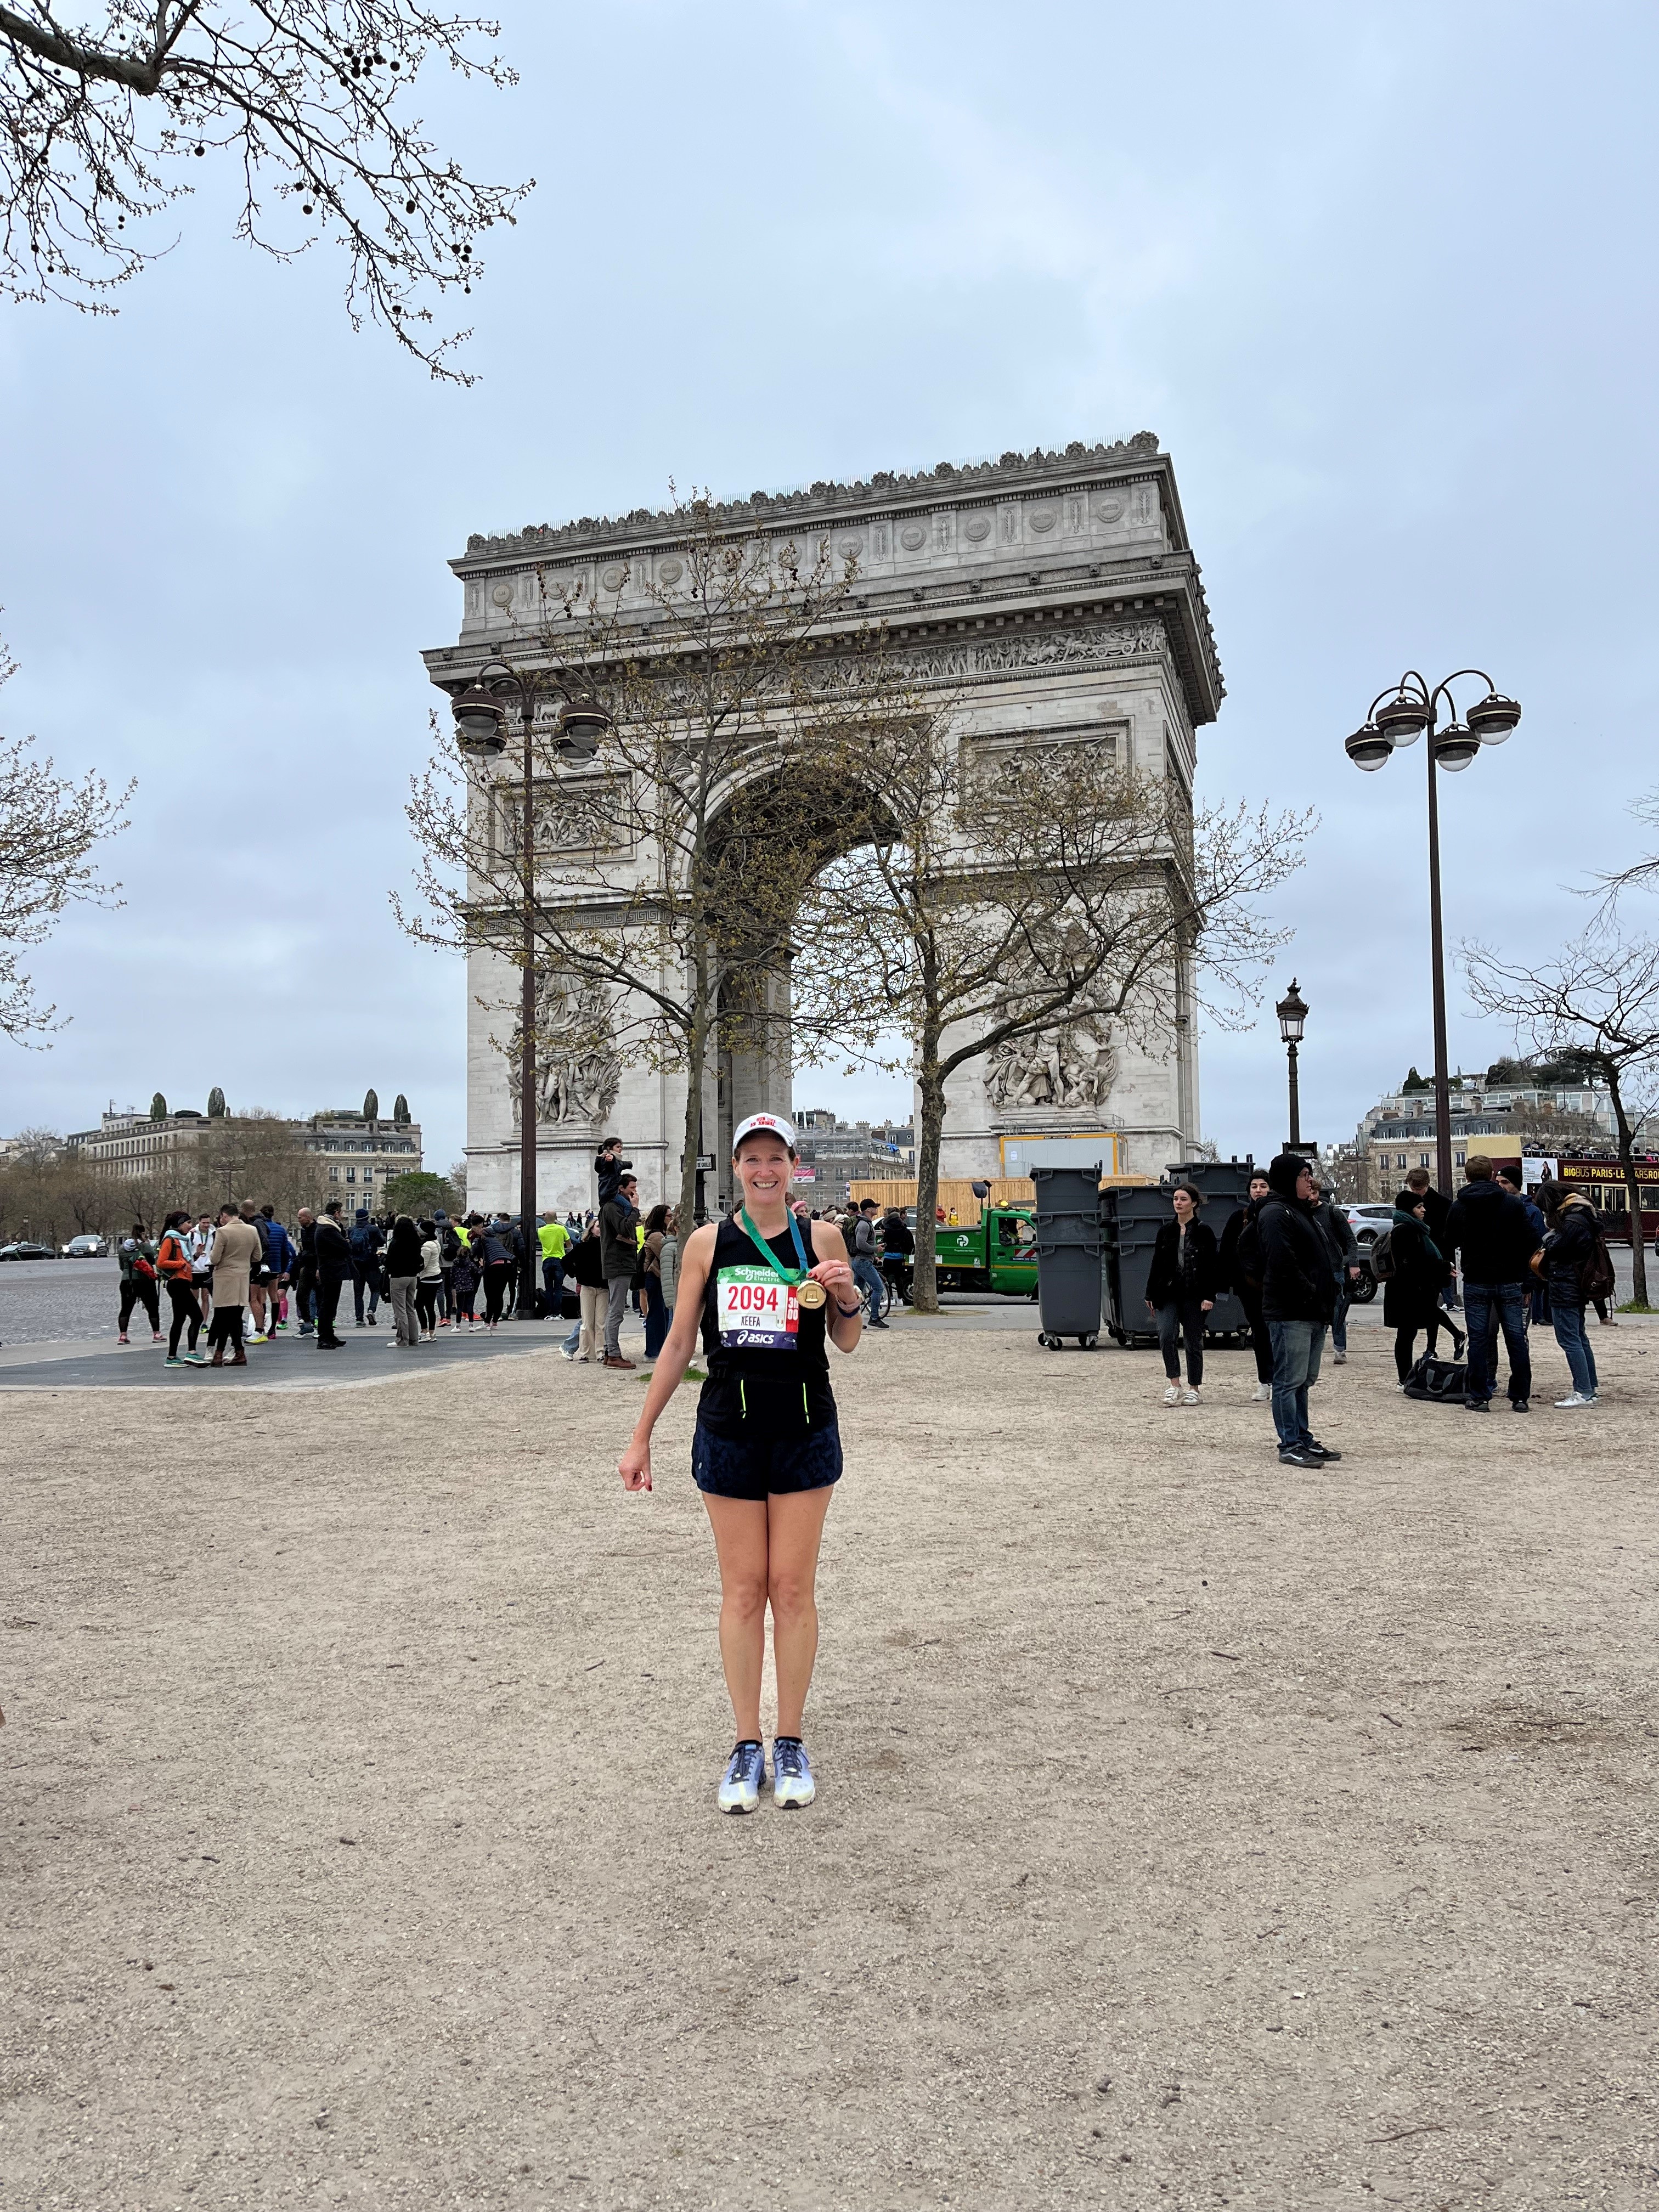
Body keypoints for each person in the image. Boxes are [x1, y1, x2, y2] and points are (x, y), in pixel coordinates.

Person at [618, 1112, 862, 1814]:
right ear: (736, 1167)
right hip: (729, 1423)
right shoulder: (706, 1243)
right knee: (742, 1591)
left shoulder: (824, 1236)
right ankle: (745, 1742)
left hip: (806, 1423)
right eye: (752, 1158)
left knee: (791, 1590)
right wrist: (641, 1437)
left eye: (775, 1157)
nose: (764, 1170)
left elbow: (846, 1341)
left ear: (793, 1164)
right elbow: (675, 1347)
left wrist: (847, 1296)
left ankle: (790, 1739)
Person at [1257, 1154, 1341, 1468]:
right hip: (1292, 1310)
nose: (1310, 1180)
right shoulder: (1277, 1213)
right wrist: (1311, 1294)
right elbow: (1282, 1262)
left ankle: (1303, 1437)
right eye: (1304, 1175)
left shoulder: (1301, 1211)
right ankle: (1289, 1443)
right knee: (1288, 1381)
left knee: (1303, 1380)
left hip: (1311, 1311)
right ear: (1289, 1179)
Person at [1443, 1155, 1537, 1412]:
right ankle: (1520, 1397)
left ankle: (1480, 1395)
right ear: (1492, 1174)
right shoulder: (1512, 1204)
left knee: (1479, 1338)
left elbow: (1448, 1242)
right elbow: (1532, 1240)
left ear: (1467, 1176)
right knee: (1516, 1338)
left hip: (1476, 1278)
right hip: (1509, 1277)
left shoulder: (1460, 1206)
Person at [1144, 1181, 1217, 1404]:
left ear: (1194, 1203)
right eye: (1176, 1199)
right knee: (1166, 1335)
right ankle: (1174, 1384)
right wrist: (1150, 1294)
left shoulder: (1204, 1231)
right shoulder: (1165, 1231)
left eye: (1183, 1199)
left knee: (1193, 1340)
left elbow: (1212, 1266)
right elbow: (1156, 1263)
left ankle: (1194, 1387)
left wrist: (1209, 1296)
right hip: (1167, 1293)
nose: (1178, 1203)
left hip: (1195, 1294)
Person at [1383, 1190, 1458, 1385]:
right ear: (1409, 1209)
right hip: (1406, 1292)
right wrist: (1444, 1266)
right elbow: (1414, 1263)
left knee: (1408, 1334)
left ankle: (1405, 1378)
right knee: (1406, 1335)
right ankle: (1404, 1379)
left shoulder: (1411, 1228)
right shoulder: (1406, 1231)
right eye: (1419, 1207)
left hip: (1409, 1290)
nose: (1424, 1210)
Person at [1537, 1180, 1601, 1407]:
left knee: (1569, 1339)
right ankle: (1589, 1387)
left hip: (1565, 1283)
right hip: (1577, 1282)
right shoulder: (1584, 1215)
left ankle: (1583, 1390)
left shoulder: (1572, 1222)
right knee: (1579, 1337)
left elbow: (1557, 1248)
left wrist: (1549, 1241)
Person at [1219, 1171, 1273, 1403]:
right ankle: (1265, 1382)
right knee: (1260, 1334)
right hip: (1250, 1288)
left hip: (1277, 1286)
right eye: (1254, 1186)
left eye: (1263, 1186)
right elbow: (1226, 1253)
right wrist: (1228, 1284)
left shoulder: (1278, 1214)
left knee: (1281, 1334)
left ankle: (1285, 1382)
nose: (1258, 1190)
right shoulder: (1238, 1217)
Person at [1310, 1180, 1364, 1365]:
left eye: (1314, 1193)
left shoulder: (1332, 1212)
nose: (1311, 1197)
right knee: (1316, 1313)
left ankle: (1339, 1350)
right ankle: (1316, 1349)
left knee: (1337, 1313)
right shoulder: (1300, 1213)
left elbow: (1351, 1239)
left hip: (1335, 1269)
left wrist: (1353, 1264)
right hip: (1313, 1272)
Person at [206, 1204, 259, 1366]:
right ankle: (238, 1352)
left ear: (224, 1216)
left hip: (225, 1277)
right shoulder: (252, 1230)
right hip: (243, 1276)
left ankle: (219, 1353)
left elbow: (214, 1259)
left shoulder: (222, 1232)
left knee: (223, 1316)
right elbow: (257, 1256)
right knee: (235, 1316)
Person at [600, 1172, 641, 1370]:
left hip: (620, 1263)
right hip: (619, 1264)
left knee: (615, 1310)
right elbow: (624, 1229)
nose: (635, 1192)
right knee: (616, 1311)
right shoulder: (612, 1207)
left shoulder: (615, 1207)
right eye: (632, 1188)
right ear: (621, 1188)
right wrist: (634, 1210)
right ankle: (613, 1354)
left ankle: (610, 1353)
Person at [1404, 1166, 1458, 1313]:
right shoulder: (1412, 1203)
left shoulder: (1444, 1204)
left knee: (1430, 1303)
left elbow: (1450, 1232)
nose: (1415, 1192)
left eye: (1418, 1189)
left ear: (1427, 1184)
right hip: (1423, 1254)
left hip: (1438, 1252)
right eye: (1413, 1189)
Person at [156, 1210, 206, 1367]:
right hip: (177, 1283)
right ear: (180, 1224)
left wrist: (196, 1256)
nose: (191, 1227)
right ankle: (191, 1352)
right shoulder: (170, 1239)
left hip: (181, 1282)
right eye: (188, 1223)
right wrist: (181, 1264)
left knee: (179, 1320)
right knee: (197, 1317)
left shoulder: (180, 1240)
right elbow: (161, 1262)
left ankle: (172, 1357)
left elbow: (185, 1260)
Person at [312, 1200, 353, 1350]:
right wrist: (347, 1241)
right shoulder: (328, 1229)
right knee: (328, 1304)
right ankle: (324, 1337)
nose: (342, 1215)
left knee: (330, 1304)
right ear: (336, 1213)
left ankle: (329, 1334)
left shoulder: (327, 1227)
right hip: (331, 1269)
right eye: (341, 1212)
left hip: (331, 1269)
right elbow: (346, 1247)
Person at [564, 1215, 606, 1361]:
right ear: (592, 1229)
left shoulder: (607, 1247)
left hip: (603, 1288)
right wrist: (577, 1275)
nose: (600, 1229)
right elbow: (566, 1261)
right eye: (598, 1226)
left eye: (602, 1227)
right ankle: (585, 1352)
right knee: (587, 1322)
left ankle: (601, 1352)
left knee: (601, 1322)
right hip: (587, 1287)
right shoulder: (583, 1246)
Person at [116, 1224, 162, 1345]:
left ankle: (123, 1336)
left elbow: (122, 1266)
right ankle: (157, 1334)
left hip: (127, 1281)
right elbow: (154, 1260)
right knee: (152, 1308)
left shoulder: (122, 1249)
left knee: (125, 1309)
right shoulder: (145, 1246)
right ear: (142, 1233)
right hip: (145, 1280)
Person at [383, 1213, 424, 1346]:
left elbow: (389, 1261)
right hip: (413, 1277)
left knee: (400, 1309)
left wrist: (382, 1258)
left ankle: (402, 1339)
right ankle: (414, 1338)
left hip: (398, 1277)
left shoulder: (396, 1243)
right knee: (410, 1308)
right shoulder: (416, 1241)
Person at [640, 1204, 674, 1358]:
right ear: (662, 1218)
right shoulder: (656, 1236)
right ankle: (653, 1351)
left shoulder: (660, 1234)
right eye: (669, 1216)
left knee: (663, 1313)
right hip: (655, 1277)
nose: (672, 1218)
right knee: (657, 1313)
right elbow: (666, 1256)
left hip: (659, 1277)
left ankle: (660, 1349)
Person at [848, 1199, 888, 1328]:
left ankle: (854, 1320)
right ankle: (874, 1318)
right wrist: (876, 1249)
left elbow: (866, 1244)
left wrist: (875, 1256)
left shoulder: (865, 1223)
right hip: (863, 1262)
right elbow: (861, 1244)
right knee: (878, 1288)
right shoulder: (864, 1225)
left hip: (861, 1261)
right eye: (874, 1207)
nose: (876, 1209)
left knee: (858, 1292)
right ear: (868, 1210)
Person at [348, 1207, 385, 1327]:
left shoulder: (351, 1229)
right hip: (371, 1264)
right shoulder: (373, 1229)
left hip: (356, 1265)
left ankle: (359, 1319)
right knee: (376, 1289)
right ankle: (371, 1310)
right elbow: (382, 1242)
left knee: (358, 1293)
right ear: (367, 1217)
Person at [414, 1219, 443, 1339]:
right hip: (436, 1276)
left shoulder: (426, 1246)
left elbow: (423, 1264)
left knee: (419, 1306)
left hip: (427, 1278)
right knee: (430, 1307)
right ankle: (432, 1332)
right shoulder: (435, 1242)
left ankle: (424, 1331)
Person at [881, 1206, 915, 1309]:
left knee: (888, 1279)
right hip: (900, 1257)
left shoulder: (888, 1228)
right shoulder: (904, 1228)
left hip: (888, 1256)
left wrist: (885, 1235)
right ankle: (900, 1300)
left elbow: (885, 1242)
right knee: (899, 1278)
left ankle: (890, 1299)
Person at [292, 1206, 318, 1336]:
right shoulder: (303, 1231)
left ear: (308, 1217)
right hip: (307, 1267)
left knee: (320, 1297)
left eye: (300, 1217)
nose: (299, 1220)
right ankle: (308, 1324)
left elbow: (320, 1250)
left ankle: (321, 1325)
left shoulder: (317, 1230)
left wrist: (319, 1268)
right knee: (301, 1296)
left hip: (316, 1267)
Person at [539, 1210, 569, 1319]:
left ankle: (549, 1313)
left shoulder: (540, 1231)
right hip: (559, 1260)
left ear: (546, 1218)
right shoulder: (561, 1229)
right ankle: (557, 1313)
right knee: (558, 1289)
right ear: (556, 1218)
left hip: (546, 1260)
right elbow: (569, 1244)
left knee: (549, 1289)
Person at [189, 1212, 216, 1327]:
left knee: (205, 1297)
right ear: (199, 1222)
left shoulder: (213, 1234)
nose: (206, 1225)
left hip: (206, 1270)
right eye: (204, 1223)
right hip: (194, 1270)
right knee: (194, 1299)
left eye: (208, 1223)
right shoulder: (191, 1234)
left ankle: (204, 1323)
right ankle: (195, 1321)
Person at [450, 1234, 480, 1330]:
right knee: (470, 1306)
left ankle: (458, 1326)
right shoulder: (470, 1263)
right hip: (470, 1287)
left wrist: (453, 1285)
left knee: (460, 1308)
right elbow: (478, 1273)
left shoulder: (455, 1263)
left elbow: (452, 1276)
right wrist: (482, 1267)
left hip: (459, 1287)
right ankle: (471, 1325)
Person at [594, 1137, 629, 1211]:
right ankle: (627, 1222)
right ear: (610, 1148)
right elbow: (612, 1165)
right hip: (611, 1193)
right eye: (618, 1147)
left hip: (607, 1193)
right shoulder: (609, 1159)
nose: (620, 1149)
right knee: (628, 1206)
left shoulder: (602, 1159)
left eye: (621, 1147)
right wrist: (611, 1159)